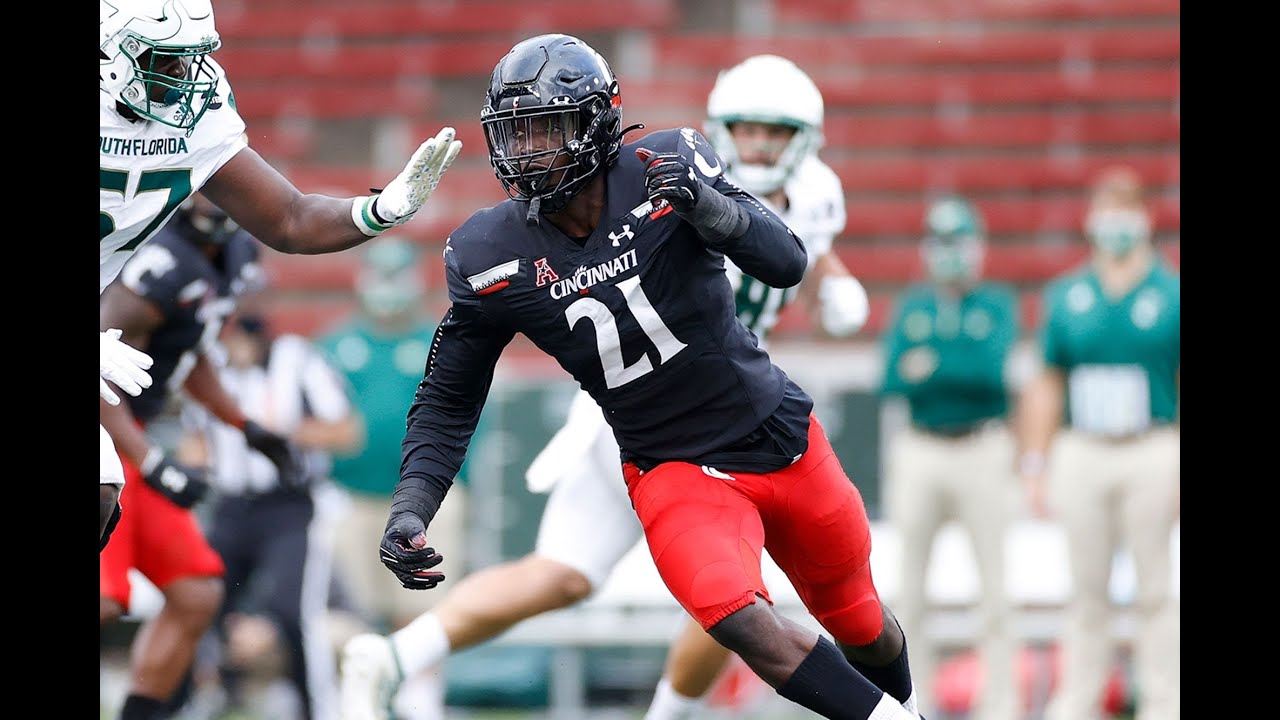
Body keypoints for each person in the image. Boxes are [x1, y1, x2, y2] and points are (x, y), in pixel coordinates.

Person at [352, 33, 924, 720]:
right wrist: (412, 506)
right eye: (515, 133)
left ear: (596, 123)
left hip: (774, 433)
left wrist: (712, 209)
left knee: (859, 619)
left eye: (547, 129)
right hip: (667, 462)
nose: (528, 151)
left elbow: (787, 262)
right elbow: (448, 398)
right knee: (735, 615)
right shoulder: (487, 251)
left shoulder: (667, 163)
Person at [98, 0, 462, 552]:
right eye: (163, 59)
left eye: (189, 58)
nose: (182, 76)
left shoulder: (197, 112)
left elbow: (289, 218)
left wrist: (379, 210)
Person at [99, 195, 301, 720]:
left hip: (131, 438)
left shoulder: (237, 252)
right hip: (108, 438)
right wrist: (153, 462)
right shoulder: (158, 261)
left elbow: (189, 350)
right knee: (104, 599)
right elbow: (101, 372)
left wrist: (244, 425)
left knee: (195, 591)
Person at [1017, 165, 1179, 720]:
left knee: (1155, 588)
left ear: (1146, 218)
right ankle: (1078, 701)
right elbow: (1048, 381)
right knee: (1087, 590)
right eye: (1106, 210)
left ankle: (1164, 702)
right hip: (1084, 447)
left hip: (1150, 444)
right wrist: (1036, 460)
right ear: (1090, 220)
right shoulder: (1069, 294)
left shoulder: (1169, 292)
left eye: (1125, 209)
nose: (1115, 222)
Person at [179, 311, 363, 720]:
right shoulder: (208, 366)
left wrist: (280, 433)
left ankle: (314, 709)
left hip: (288, 505)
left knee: (291, 611)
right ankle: (202, 698)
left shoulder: (297, 361)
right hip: (230, 505)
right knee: (199, 601)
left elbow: (348, 431)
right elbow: (197, 443)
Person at [319, 238, 474, 720]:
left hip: (428, 497)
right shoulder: (333, 347)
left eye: (395, 276)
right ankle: (359, 698)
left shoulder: (438, 340)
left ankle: (420, 699)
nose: (387, 288)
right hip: (351, 494)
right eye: (380, 276)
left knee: (423, 601)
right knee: (351, 610)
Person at [878, 197, 1020, 720]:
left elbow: (990, 374)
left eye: (958, 241)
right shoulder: (913, 305)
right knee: (911, 590)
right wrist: (953, 359)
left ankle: (1001, 705)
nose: (949, 253)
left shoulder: (997, 303)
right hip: (922, 447)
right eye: (940, 242)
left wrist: (932, 363)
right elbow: (891, 378)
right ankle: (914, 703)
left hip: (982, 446)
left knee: (995, 590)